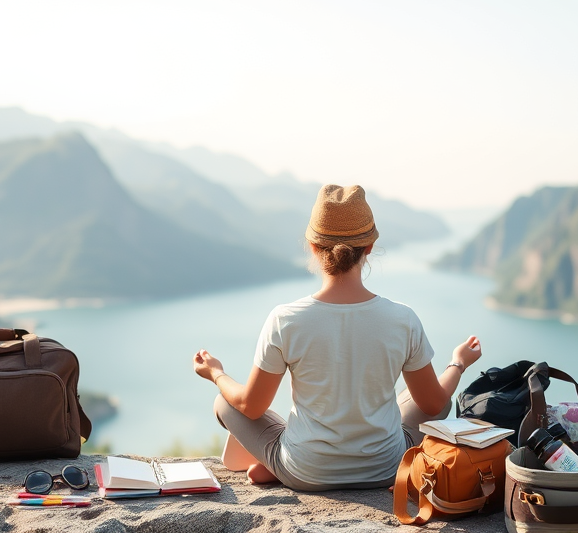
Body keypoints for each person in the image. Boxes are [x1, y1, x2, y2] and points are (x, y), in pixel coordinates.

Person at [192, 184, 482, 491]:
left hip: (306, 472)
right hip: (386, 468)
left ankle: (275, 463)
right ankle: (278, 463)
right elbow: (435, 403)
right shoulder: (403, 319)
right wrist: (458, 364)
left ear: (313, 246)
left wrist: (216, 372)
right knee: (431, 397)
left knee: (224, 402)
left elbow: (250, 406)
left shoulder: (285, 319)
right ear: (370, 247)